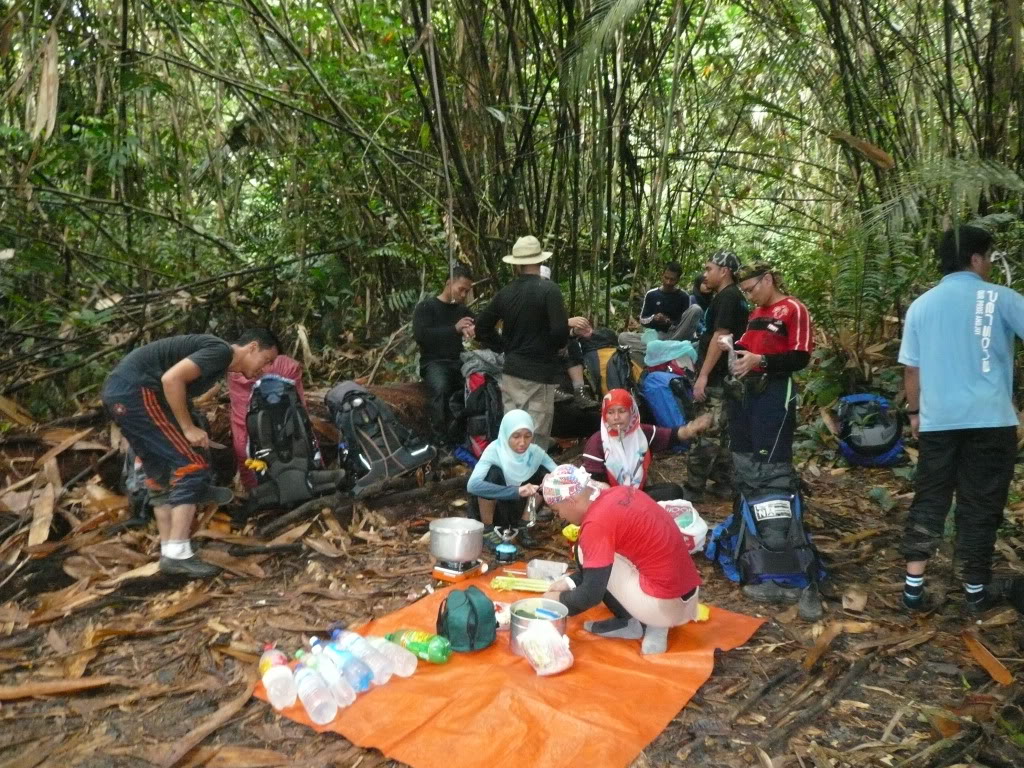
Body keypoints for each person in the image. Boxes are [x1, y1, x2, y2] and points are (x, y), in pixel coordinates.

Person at [898, 225, 1024, 614]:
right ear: (975, 258)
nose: (988, 264)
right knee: (980, 503)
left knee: (931, 498)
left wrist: (916, 414)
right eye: (987, 257)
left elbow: (911, 371)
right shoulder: (1002, 298)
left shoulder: (921, 306)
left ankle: (912, 590)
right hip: (990, 420)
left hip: (938, 421)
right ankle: (975, 592)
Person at [102, 330, 279, 577]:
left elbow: (176, 389)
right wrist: (187, 428)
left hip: (121, 393)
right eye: (267, 359)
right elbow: (171, 380)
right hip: (137, 392)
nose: (266, 368)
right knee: (191, 466)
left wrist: (188, 425)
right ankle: (177, 554)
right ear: (251, 347)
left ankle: (170, 549)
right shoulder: (221, 352)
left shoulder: (219, 362)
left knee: (161, 473)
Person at [721, 261, 820, 618]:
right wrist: (734, 353)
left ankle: (781, 553)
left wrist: (761, 361)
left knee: (773, 464)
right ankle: (750, 540)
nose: (748, 296)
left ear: (768, 280)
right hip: (746, 395)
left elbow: (800, 357)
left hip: (775, 394)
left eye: (751, 289)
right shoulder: (757, 313)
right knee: (744, 456)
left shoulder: (792, 308)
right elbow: (748, 349)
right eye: (744, 291)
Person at [540, 465, 703, 655]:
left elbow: (590, 595)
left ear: (570, 501)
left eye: (557, 509)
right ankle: (652, 625)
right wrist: (569, 582)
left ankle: (634, 622)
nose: (561, 516)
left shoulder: (596, 523)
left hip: (663, 608)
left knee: (583, 550)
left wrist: (557, 602)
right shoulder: (620, 492)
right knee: (601, 554)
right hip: (688, 597)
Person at [475, 236, 570, 450]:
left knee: (513, 430)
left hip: (512, 372)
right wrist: (553, 348)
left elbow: (481, 327)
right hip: (539, 372)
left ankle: (513, 479)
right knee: (535, 435)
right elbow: (560, 331)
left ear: (516, 265)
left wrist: (503, 345)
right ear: (539, 261)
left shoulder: (506, 293)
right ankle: (532, 479)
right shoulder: (549, 290)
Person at [686, 249, 749, 501]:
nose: (705, 274)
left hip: (717, 376)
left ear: (724, 272)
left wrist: (703, 376)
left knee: (705, 431)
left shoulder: (728, 298)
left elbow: (719, 337)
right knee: (722, 432)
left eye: (709, 268)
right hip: (726, 375)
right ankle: (725, 483)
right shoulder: (732, 297)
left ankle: (693, 489)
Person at [581, 389, 711, 501]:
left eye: (621, 411)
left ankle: (638, 507)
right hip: (609, 500)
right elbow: (592, 482)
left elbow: (671, 436)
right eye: (610, 412)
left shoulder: (641, 432)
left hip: (637, 494)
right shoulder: (597, 441)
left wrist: (690, 429)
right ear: (604, 415)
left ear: (631, 412)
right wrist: (613, 495)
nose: (616, 417)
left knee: (673, 491)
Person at [467, 410, 557, 547]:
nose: (522, 442)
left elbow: (560, 472)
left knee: (545, 474)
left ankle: (524, 525)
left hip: (518, 509)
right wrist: (516, 491)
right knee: (492, 474)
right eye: (516, 436)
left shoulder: (535, 453)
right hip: (496, 508)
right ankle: (488, 529)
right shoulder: (494, 450)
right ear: (506, 434)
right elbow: (473, 485)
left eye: (527, 436)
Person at [412, 265, 475, 449]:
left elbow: (479, 326)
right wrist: (453, 329)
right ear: (449, 283)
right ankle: (439, 441)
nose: (463, 295)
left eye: (467, 291)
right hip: (434, 363)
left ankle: (469, 436)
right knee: (440, 389)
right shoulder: (426, 307)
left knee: (477, 386)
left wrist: (474, 329)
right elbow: (422, 336)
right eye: (461, 289)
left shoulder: (463, 311)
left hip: (459, 361)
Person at [227, 354, 310, 490]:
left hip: (262, 450)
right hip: (293, 446)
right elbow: (302, 413)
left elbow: (242, 433)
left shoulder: (238, 370)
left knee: (244, 437)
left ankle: (253, 485)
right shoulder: (286, 365)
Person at [618, 262, 703, 357]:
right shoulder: (651, 294)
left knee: (696, 309)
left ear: (678, 280)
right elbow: (642, 320)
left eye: (672, 279)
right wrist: (654, 318)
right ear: (661, 276)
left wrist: (668, 322)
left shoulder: (684, 296)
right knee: (623, 337)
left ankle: (664, 347)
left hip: (675, 336)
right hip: (655, 337)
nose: (668, 282)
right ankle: (664, 348)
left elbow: (684, 323)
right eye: (666, 278)